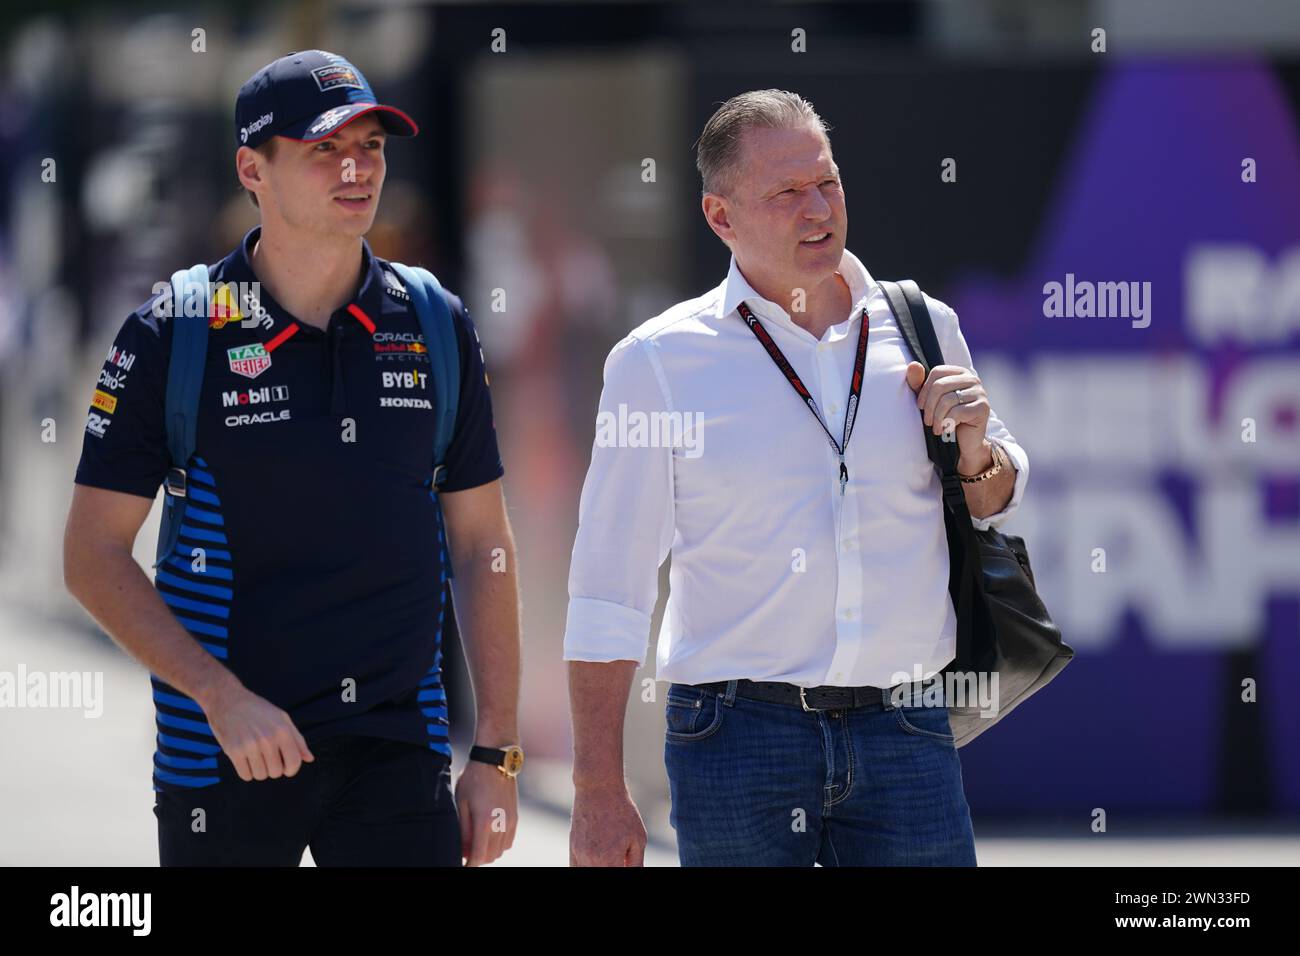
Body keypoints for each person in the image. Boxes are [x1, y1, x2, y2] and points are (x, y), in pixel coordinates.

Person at [63, 50, 523, 867]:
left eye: (372, 145)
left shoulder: (433, 320)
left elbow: (484, 541)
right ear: (253, 167)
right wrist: (219, 697)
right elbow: (92, 555)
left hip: (397, 746)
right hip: (228, 749)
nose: (357, 169)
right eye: (323, 149)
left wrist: (494, 754)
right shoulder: (177, 330)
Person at [565, 90, 1029, 866]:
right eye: (786, 192)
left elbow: (995, 496)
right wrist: (597, 790)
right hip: (736, 739)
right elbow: (608, 588)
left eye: (829, 183)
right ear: (721, 217)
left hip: (907, 727)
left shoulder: (923, 324)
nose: (818, 209)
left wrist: (979, 452)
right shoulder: (657, 362)